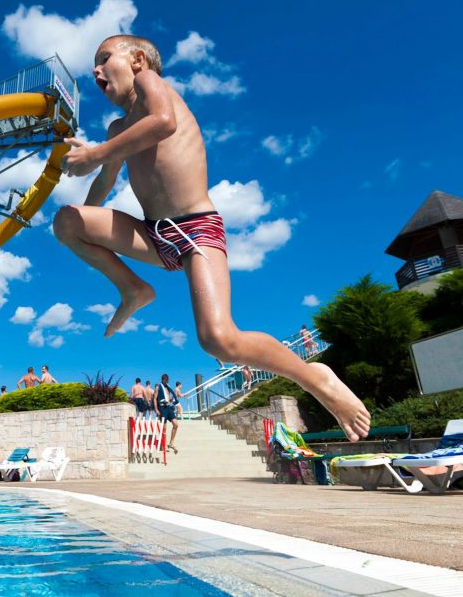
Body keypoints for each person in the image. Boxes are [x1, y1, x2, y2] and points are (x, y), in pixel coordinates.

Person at [54, 34, 370, 441]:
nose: (95, 70)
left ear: (136, 60)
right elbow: (106, 181)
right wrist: (86, 205)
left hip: (196, 229)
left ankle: (315, 378)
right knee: (65, 222)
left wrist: (96, 153)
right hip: (154, 235)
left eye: (103, 59)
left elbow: (163, 122)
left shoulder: (153, 86)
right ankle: (133, 289)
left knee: (219, 340)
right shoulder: (117, 128)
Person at [153, 373, 180, 453]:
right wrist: (156, 409)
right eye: (166, 380)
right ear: (163, 379)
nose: (167, 382)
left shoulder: (168, 387)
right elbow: (155, 398)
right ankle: (163, 445)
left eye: (167, 380)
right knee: (164, 428)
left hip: (168, 407)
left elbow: (168, 397)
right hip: (162, 408)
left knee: (176, 424)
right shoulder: (158, 387)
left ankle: (171, 443)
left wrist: (172, 400)